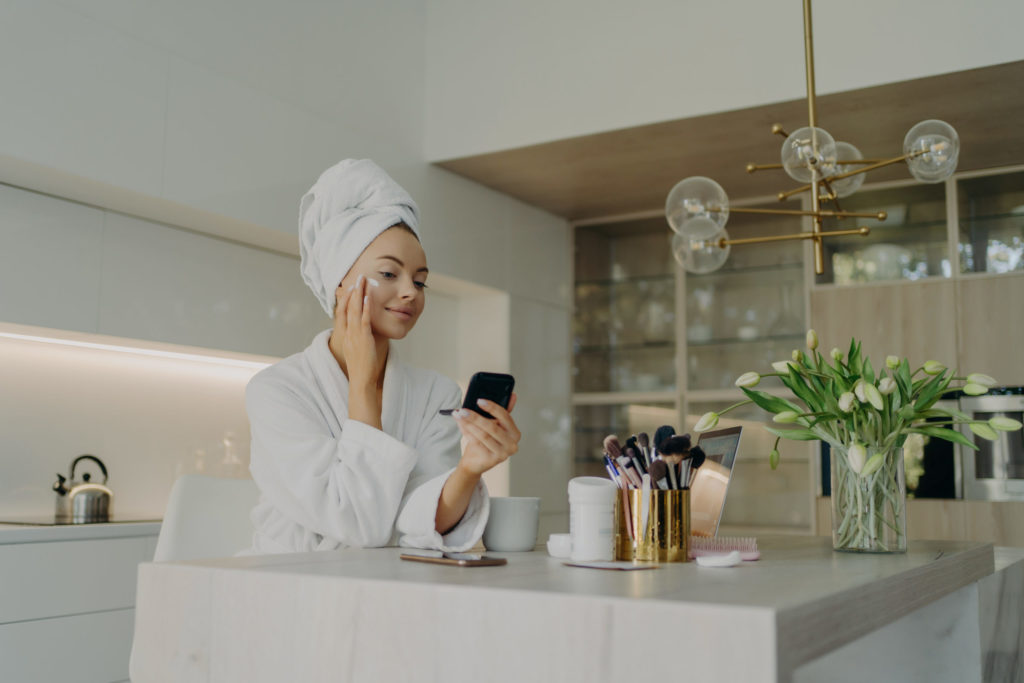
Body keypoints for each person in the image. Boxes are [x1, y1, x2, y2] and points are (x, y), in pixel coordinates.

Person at [244, 159, 520, 553]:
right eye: (389, 274)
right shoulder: (277, 391)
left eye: (420, 280)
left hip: (387, 586)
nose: (411, 291)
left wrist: (470, 468)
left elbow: (418, 523)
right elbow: (359, 525)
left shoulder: (434, 394)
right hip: (287, 584)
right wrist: (362, 384)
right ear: (340, 283)